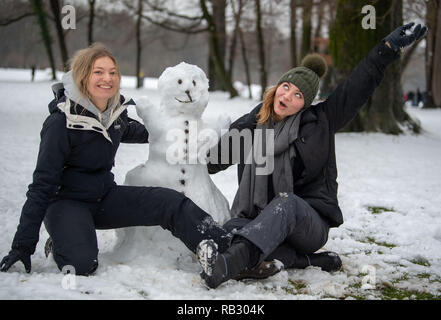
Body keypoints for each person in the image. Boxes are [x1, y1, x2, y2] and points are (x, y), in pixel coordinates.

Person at [196, 23, 427, 289]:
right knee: (229, 232)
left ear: (305, 104)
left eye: (298, 95)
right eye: (286, 87)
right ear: (277, 87)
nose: (288, 96)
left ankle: (225, 267)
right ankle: (305, 262)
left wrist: (386, 48)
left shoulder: (320, 121)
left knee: (286, 203)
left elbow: (357, 87)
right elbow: (214, 161)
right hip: (258, 220)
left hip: (307, 223)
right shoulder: (254, 124)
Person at [0, 43, 231, 276]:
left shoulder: (114, 118)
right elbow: (42, 185)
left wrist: (182, 131)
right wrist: (22, 246)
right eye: (98, 72)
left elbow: (154, 135)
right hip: (67, 204)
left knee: (169, 201)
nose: (107, 78)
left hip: (104, 198)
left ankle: (226, 246)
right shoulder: (61, 123)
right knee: (82, 264)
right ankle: (62, 237)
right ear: (82, 76)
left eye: (112, 72)